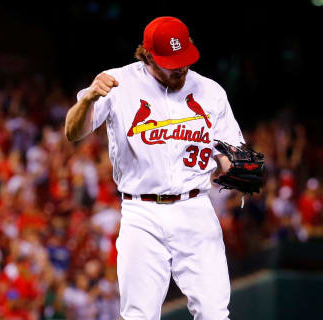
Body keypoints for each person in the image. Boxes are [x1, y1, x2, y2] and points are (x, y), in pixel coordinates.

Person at [65, 16, 244, 320]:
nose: (180, 68)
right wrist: (89, 99)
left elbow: (231, 153)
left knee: (215, 313)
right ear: (147, 55)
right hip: (141, 213)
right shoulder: (117, 83)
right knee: (139, 315)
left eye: (183, 59)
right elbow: (72, 132)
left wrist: (238, 169)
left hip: (196, 208)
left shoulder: (211, 91)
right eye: (171, 62)